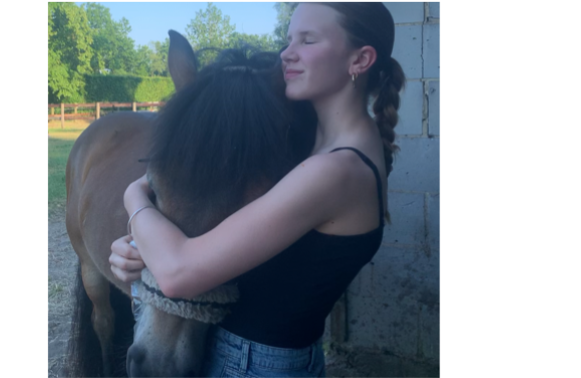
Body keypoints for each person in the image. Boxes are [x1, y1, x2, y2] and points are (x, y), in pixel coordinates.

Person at [109, 2, 406, 377]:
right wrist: (143, 250)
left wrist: (136, 197)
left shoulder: (335, 170)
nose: (287, 54)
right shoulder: (312, 147)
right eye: (288, 39)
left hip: (250, 365)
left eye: (308, 40)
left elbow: (178, 273)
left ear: (360, 60)